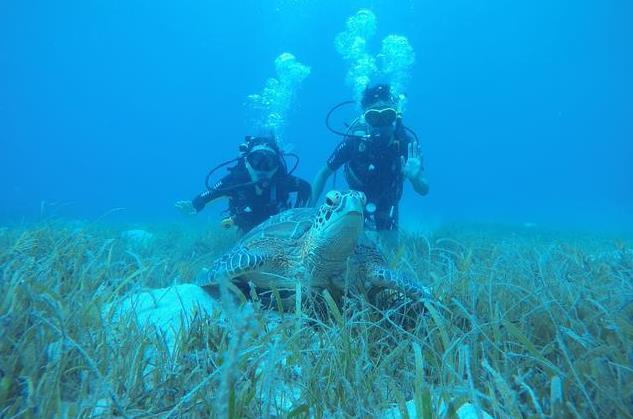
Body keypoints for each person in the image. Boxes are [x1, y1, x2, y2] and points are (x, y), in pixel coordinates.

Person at [311, 83, 429, 235]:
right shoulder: (354, 141)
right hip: (355, 201)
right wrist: (309, 208)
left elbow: (424, 189)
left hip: (388, 201)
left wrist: (415, 179)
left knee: (390, 249)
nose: (381, 125)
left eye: (387, 116)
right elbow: (323, 173)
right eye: (374, 117)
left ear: (396, 115)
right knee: (347, 245)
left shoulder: (406, 144)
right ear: (365, 117)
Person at [176, 136, 311, 233]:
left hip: (280, 227)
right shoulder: (235, 180)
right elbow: (209, 194)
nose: (262, 169)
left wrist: (301, 218)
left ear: (277, 166)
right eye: (256, 161)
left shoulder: (282, 180)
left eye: (270, 162)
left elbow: (306, 187)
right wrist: (195, 206)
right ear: (246, 162)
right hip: (246, 225)